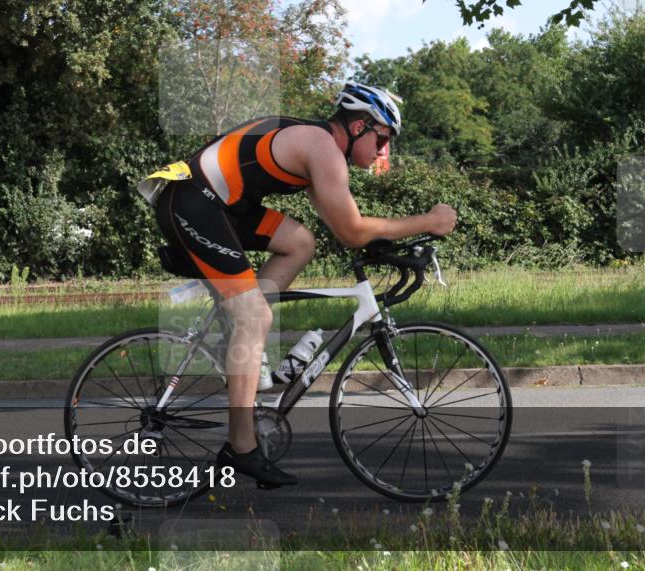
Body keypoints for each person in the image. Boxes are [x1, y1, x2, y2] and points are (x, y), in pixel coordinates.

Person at [152, 80, 458, 488]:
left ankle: (241, 342)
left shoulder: (321, 149)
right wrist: (427, 221)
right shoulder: (322, 148)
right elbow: (352, 231)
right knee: (255, 315)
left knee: (299, 242)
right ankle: (240, 448)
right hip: (193, 201)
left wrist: (390, 245)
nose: (384, 152)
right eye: (382, 139)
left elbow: (343, 225)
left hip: (220, 206)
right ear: (358, 126)